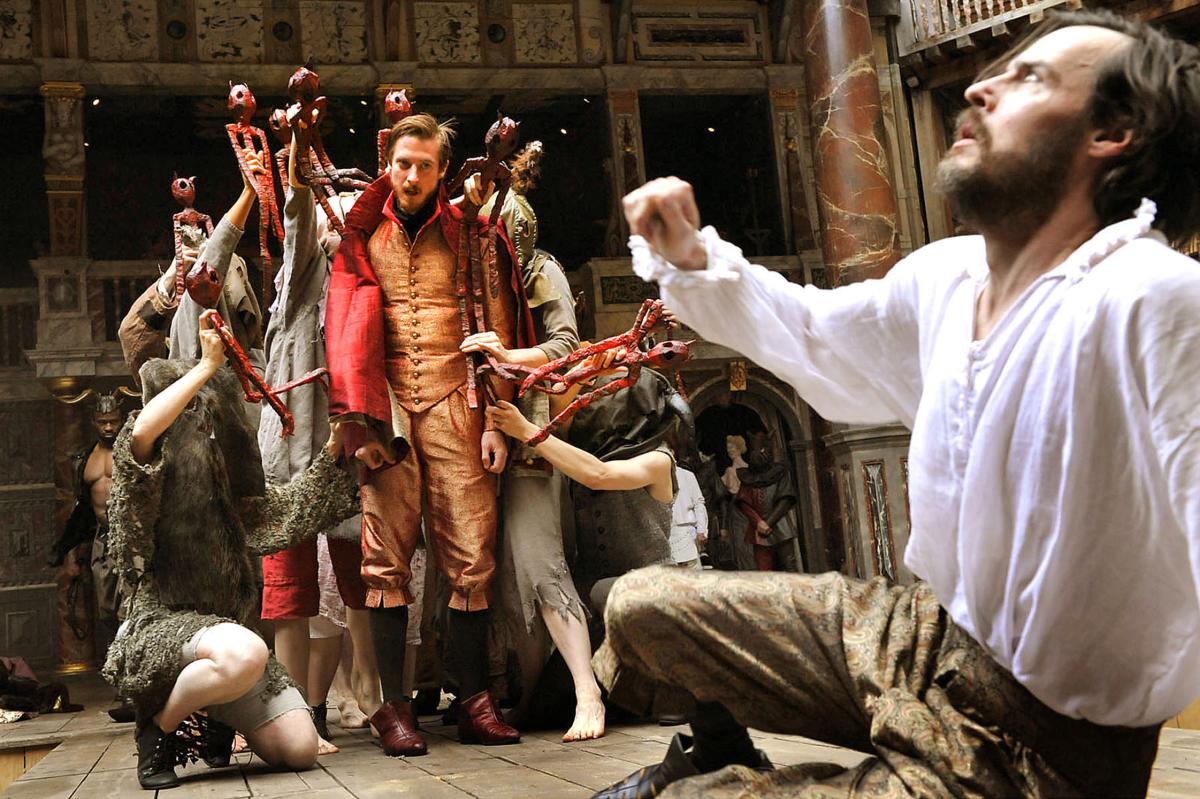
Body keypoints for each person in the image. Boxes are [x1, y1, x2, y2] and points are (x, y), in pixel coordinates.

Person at [594, 10, 1200, 799]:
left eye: (1031, 78)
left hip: (1041, 749)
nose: (979, 89)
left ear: (1112, 133)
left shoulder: (1156, 300)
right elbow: (815, 334)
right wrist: (690, 256)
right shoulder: (951, 276)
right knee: (639, 605)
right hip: (926, 637)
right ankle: (721, 753)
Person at [324, 112, 534, 755]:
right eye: (401, 164)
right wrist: (358, 423)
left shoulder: (472, 233)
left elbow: (499, 325)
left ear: (442, 170)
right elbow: (343, 331)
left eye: (422, 166)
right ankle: (393, 709)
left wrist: (498, 420)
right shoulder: (363, 235)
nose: (410, 176)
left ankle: (473, 702)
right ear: (387, 164)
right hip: (387, 412)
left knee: (472, 556)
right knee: (383, 559)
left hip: (458, 406)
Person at [102, 312, 361, 790]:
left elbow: (290, 511)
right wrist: (206, 367)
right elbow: (140, 438)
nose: (205, 429)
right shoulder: (144, 484)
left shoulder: (228, 499)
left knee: (300, 749)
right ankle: (158, 729)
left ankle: (212, 712)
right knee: (246, 651)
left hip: (226, 648)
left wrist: (335, 443)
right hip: (163, 630)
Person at [458, 145, 608, 742]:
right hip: (469, 433)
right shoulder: (467, 276)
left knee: (541, 561)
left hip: (528, 429)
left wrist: (506, 354)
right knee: (494, 574)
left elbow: (566, 346)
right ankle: (527, 692)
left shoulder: (541, 269)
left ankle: (587, 692)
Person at [258, 122, 375, 756]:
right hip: (295, 456)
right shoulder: (302, 278)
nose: (340, 227)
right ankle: (297, 714)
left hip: (354, 452)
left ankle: (372, 698)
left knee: (363, 581)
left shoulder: (363, 283)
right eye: (337, 217)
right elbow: (299, 216)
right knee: (290, 591)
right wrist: (300, 155)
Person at [669, 464, 706, 569]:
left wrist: (701, 529)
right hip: (665, 533)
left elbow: (698, 503)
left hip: (686, 532)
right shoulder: (654, 475)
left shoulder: (686, 475)